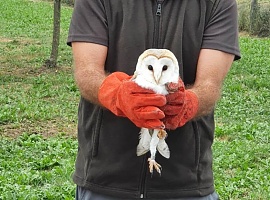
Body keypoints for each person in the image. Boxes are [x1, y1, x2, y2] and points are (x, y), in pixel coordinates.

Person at [67, 0, 240, 199]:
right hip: (105, 177)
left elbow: (209, 85)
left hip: (186, 181)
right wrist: (116, 94)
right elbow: (87, 72)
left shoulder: (218, 3)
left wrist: (189, 103)